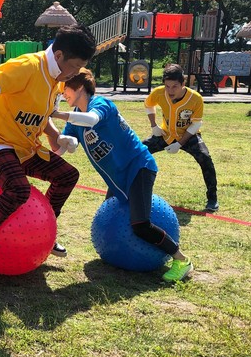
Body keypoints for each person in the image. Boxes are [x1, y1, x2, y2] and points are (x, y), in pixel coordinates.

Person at [0, 24, 97, 287]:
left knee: (68, 176)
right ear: (59, 56)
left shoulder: (57, 79)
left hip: (24, 148)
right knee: (18, 190)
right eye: (73, 67)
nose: (74, 74)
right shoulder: (27, 66)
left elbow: (41, 115)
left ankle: (44, 235)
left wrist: (56, 135)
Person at [51, 68, 193, 282]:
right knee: (111, 219)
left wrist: (57, 114)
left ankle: (182, 259)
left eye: (65, 89)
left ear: (80, 88)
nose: (63, 94)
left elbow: (91, 119)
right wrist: (61, 139)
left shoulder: (101, 104)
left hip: (139, 167)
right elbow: (62, 148)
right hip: (117, 179)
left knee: (140, 225)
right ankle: (114, 253)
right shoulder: (74, 123)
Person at [143, 63, 219, 212]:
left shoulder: (195, 98)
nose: (170, 91)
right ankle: (129, 190)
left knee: (205, 158)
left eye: (175, 86)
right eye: (167, 86)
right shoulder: (159, 93)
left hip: (189, 135)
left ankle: (212, 198)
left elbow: (196, 124)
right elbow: (148, 105)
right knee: (137, 152)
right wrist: (154, 125)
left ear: (183, 83)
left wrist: (179, 143)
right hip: (166, 134)